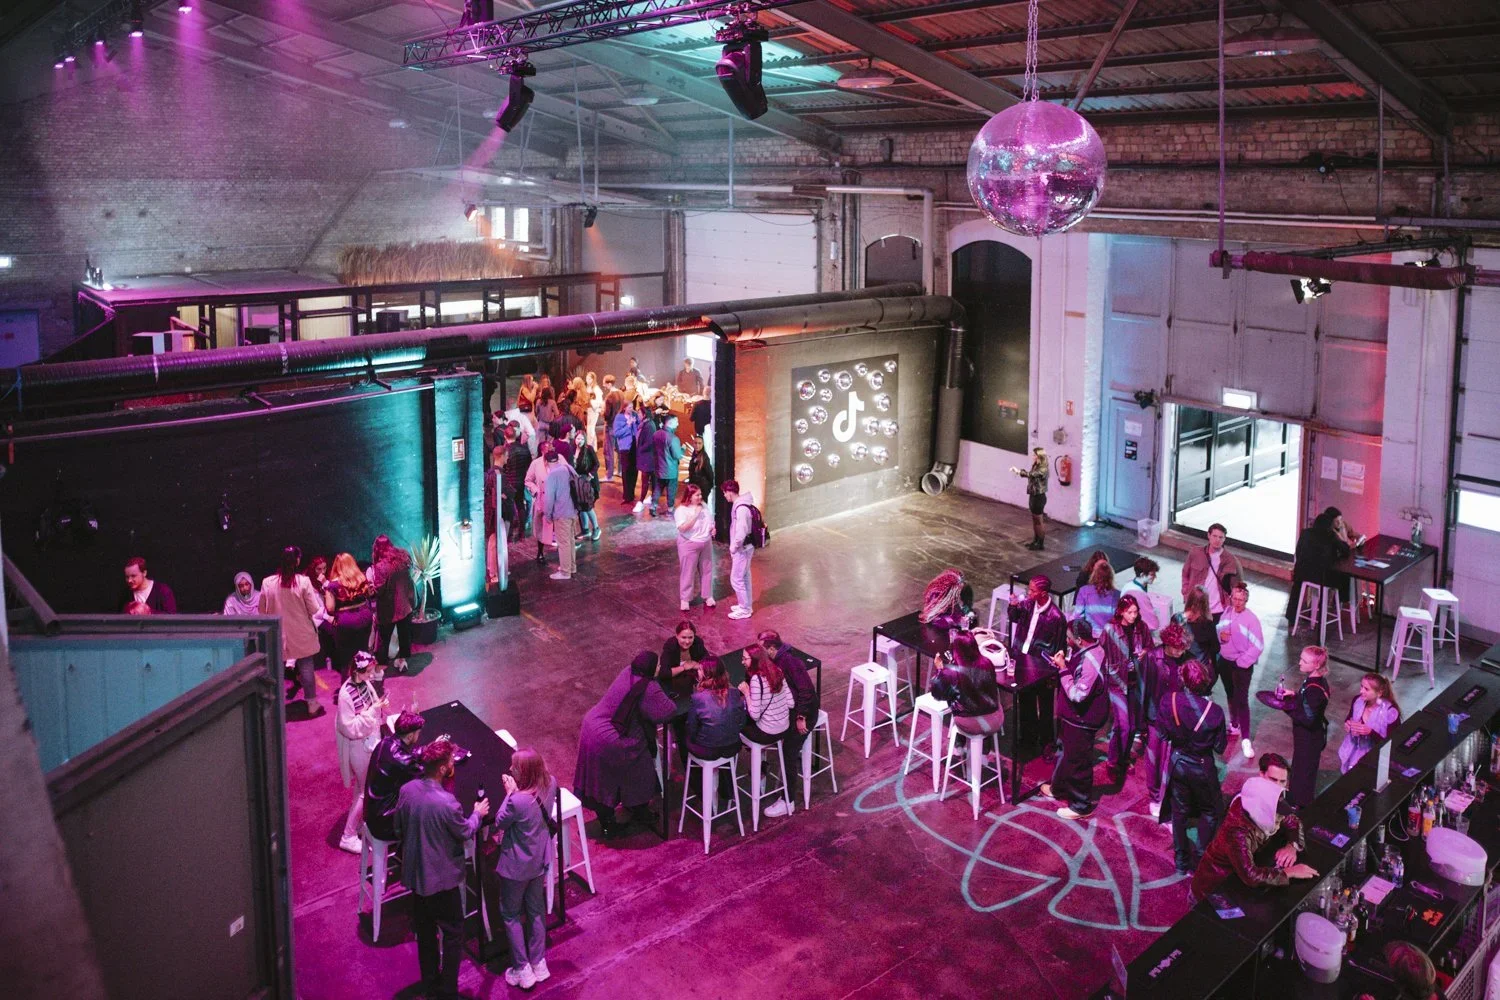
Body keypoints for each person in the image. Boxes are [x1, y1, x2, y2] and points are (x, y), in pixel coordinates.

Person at [396, 740, 490, 1000]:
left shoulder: (407, 790)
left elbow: (398, 827)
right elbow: (465, 831)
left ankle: (430, 985)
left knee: (425, 934)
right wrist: (477, 814)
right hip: (443, 882)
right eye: (449, 762)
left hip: (416, 877)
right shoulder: (448, 804)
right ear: (441, 768)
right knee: (452, 934)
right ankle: (448, 992)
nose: (452, 765)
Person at [573, 651, 677, 838]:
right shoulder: (649, 687)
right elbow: (666, 712)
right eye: (658, 665)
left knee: (599, 778)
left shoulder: (627, 672)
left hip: (592, 726)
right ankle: (637, 810)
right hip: (612, 738)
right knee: (640, 770)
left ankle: (610, 819)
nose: (660, 668)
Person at [486, 748, 556, 991]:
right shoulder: (551, 784)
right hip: (539, 861)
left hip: (516, 866)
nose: (511, 770)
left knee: (511, 914)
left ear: (524, 772)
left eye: (514, 767)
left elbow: (499, 821)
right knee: (536, 911)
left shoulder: (518, 801)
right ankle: (539, 962)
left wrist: (510, 793)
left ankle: (522, 968)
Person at [1189, 775, 1316, 902]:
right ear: (1261, 814)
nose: (1280, 822)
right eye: (1276, 819)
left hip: (1236, 882)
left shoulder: (1262, 806)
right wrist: (1289, 872)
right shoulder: (1236, 833)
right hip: (1213, 888)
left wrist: (1292, 846)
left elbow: (1293, 821)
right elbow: (1250, 875)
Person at [1157, 659, 1228, 873]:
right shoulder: (1214, 711)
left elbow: (1162, 734)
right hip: (1201, 766)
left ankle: (1181, 860)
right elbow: (1220, 747)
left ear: (1182, 679)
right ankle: (1198, 859)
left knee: (1179, 811)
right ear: (1205, 681)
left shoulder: (1168, 700)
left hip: (1178, 763)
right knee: (1210, 811)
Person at [1043, 619, 1108, 820]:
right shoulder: (1092, 649)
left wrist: (1063, 669)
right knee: (1064, 752)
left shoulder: (1090, 661)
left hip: (1083, 719)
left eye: (1069, 638)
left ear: (1079, 640)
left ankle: (1081, 804)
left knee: (1078, 761)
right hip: (1072, 717)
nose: (1066, 640)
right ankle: (1059, 787)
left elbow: (1078, 695)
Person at [753, 630, 819, 809]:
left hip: (805, 714)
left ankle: (788, 800)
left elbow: (807, 691)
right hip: (791, 710)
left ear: (772, 648)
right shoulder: (775, 660)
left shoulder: (789, 662)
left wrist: (801, 717)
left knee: (789, 753)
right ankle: (762, 774)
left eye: (761, 649)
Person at [261, 546, 326, 717]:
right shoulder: (303, 582)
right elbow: (314, 609)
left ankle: (274, 704)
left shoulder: (267, 583)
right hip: (302, 634)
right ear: (297, 561)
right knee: (306, 668)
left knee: (276, 670)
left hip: (277, 635)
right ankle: (312, 703)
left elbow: (262, 611)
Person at [1141, 623, 1194, 816]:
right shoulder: (1153, 658)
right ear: (1167, 643)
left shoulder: (1186, 659)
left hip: (1176, 719)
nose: (1181, 652)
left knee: (1170, 760)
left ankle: (1166, 794)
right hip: (1156, 718)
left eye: (1183, 648)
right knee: (1154, 759)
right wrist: (1142, 723)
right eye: (1177, 648)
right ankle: (1155, 796)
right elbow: (1143, 690)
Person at [336, 652, 387, 853]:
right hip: (359, 746)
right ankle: (347, 836)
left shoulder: (363, 684)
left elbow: (371, 708)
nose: (372, 675)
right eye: (368, 671)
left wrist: (377, 708)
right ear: (357, 671)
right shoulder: (345, 695)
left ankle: (355, 826)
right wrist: (373, 711)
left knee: (361, 790)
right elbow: (349, 727)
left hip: (368, 742)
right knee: (365, 792)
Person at [1100, 594, 1153, 781]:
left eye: (1135, 611)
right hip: (1116, 682)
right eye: (1130, 612)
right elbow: (1101, 653)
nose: (1133, 615)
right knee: (1124, 724)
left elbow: (1149, 646)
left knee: (1130, 727)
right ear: (1121, 611)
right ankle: (1113, 761)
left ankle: (1121, 758)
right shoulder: (1110, 629)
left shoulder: (1141, 628)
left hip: (1134, 681)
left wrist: (1144, 653)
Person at [1215, 580, 1264, 760]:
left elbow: (1258, 646)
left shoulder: (1252, 620)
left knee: (1241, 699)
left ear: (1246, 600)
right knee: (1230, 694)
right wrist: (1220, 636)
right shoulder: (1226, 613)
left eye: (1241, 600)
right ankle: (1234, 724)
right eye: (1234, 599)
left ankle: (1245, 739)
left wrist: (1242, 662)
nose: (1237, 603)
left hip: (1240, 666)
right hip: (1225, 662)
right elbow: (1218, 630)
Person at [364, 709, 424, 842]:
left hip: (372, 813)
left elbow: (406, 758)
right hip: (385, 825)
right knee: (428, 817)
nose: (419, 736)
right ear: (410, 736)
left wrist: (425, 750)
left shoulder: (384, 743)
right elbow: (425, 773)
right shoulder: (402, 761)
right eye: (418, 733)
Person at [1284, 645, 1331, 808]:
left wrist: (1287, 707)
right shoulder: (1314, 681)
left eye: (1304, 661)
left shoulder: (1314, 690)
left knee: (1303, 775)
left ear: (1316, 665)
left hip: (1309, 739)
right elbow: (1309, 705)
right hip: (1308, 737)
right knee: (1300, 770)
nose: (1299, 663)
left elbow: (1308, 718)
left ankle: (1299, 808)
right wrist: (1296, 696)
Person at [931, 631, 1005, 736]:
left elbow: (937, 694)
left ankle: (959, 746)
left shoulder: (952, 672)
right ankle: (983, 749)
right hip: (996, 720)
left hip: (971, 724)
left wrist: (940, 670)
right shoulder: (987, 663)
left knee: (956, 698)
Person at [686, 657, 748, 769]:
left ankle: (695, 780)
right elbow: (742, 722)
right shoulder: (734, 693)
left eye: (700, 670)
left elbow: (692, 728)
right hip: (732, 745)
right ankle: (726, 781)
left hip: (707, 749)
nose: (697, 672)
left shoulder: (698, 698)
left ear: (707, 674)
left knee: (682, 735)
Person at [369, 535, 416, 674]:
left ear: (376, 549)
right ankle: (403, 662)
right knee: (404, 635)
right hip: (406, 605)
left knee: (384, 640)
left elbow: (380, 589)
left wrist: (372, 588)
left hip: (388, 610)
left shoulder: (380, 566)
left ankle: (380, 669)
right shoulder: (403, 557)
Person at [324, 553, 374, 677]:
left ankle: (349, 685)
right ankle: (364, 682)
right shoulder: (361, 578)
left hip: (346, 621)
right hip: (364, 616)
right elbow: (369, 595)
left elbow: (330, 608)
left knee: (347, 657)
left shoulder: (332, 585)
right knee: (363, 652)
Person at [1339, 673, 1401, 773]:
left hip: (1374, 757)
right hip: (1353, 751)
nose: (1361, 691)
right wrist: (1348, 724)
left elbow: (1392, 744)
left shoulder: (1390, 712)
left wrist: (1371, 733)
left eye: (1366, 689)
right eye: (1361, 686)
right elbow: (1350, 716)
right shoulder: (1357, 700)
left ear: (1379, 693)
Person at [1180, 523, 1243, 621]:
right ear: (1208, 535)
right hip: (1195, 605)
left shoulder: (1230, 560)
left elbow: (1236, 586)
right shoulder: (1195, 552)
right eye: (1214, 536)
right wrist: (1186, 595)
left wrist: (1232, 605)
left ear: (1224, 539)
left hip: (1218, 609)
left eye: (1221, 537)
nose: (1217, 540)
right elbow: (1185, 574)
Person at [674, 484, 716, 612]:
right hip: (689, 544)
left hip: (705, 542)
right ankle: (685, 599)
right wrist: (695, 515)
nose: (700, 497)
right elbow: (682, 528)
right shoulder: (681, 510)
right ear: (689, 496)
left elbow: (710, 520)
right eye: (697, 495)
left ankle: (707, 595)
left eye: (700, 494)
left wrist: (712, 528)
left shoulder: (703, 506)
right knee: (688, 572)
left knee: (707, 570)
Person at [1007, 575, 1067, 659]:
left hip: (1037, 661)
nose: (1029, 592)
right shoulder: (1026, 604)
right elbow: (1013, 618)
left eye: (1033, 591)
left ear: (1043, 593)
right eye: (1029, 589)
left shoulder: (1057, 617)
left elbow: (1059, 645)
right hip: (1018, 653)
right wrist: (1013, 606)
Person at [544, 440, 580, 581]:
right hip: (573, 511)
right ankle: (571, 566)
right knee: (570, 540)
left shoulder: (552, 475)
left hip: (561, 513)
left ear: (546, 463)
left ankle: (565, 572)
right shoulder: (568, 468)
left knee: (563, 543)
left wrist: (548, 515)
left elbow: (549, 499)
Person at [724, 480, 757, 620]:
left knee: (736, 579)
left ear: (730, 492)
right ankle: (746, 605)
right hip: (747, 547)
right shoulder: (743, 505)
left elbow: (741, 531)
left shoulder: (741, 508)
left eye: (725, 493)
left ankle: (744, 609)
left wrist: (733, 547)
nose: (725, 496)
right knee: (744, 577)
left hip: (742, 549)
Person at [1009, 446, 1049, 550]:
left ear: (1039, 456)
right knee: (1035, 520)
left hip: (1039, 497)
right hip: (1033, 495)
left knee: (1038, 521)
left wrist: (1018, 471)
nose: (1033, 456)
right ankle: (1035, 541)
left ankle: (1040, 543)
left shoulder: (1043, 468)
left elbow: (1031, 475)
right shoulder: (1036, 466)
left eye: (1035, 455)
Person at [1172, 586, 1221, 666]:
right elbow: (1216, 648)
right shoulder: (1208, 625)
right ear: (1205, 604)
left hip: (1181, 665)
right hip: (1199, 668)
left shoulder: (1177, 618)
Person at [1074, 559, 1122, 637]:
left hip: (1090, 636)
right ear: (1111, 577)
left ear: (1094, 574)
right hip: (1110, 637)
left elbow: (1077, 616)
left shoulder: (1084, 591)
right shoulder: (1118, 594)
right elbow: (1118, 620)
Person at [525, 441, 554, 563]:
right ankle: (540, 552)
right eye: (547, 450)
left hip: (556, 500)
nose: (550, 452)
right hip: (542, 499)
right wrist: (535, 490)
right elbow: (528, 480)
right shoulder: (536, 464)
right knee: (541, 527)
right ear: (542, 451)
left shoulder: (556, 461)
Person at [1121, 557, 1165, 632]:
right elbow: (1153, 624)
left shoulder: (1128, 585)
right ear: (1142, 575)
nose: (1155, 577)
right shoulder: (1138, 594)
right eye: (1152, 575)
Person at [573, 429, 601, 542]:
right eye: (578, 438)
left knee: (588, 506)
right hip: (578, 482)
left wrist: (590, 475)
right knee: (581, 507)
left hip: (588, 482)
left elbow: (596, 463)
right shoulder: (573, 450)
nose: (579, 441)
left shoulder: (588, 449)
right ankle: (585, 529)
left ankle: (596, 528)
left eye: (581, 438)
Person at [653, 413, 685, 513]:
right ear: (670, 423)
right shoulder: (673, 438)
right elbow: (677, 455)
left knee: (658, 488)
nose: (678, 424)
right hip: (670, 470)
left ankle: (653, 505)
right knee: (671, 490)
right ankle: (670, 508)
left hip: (659, 468)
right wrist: (682, 450)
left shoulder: (656, 434)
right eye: (676, 421)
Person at [613, 398, 640, 506]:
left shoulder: (634, 415)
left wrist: (636, 423)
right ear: (624, 408)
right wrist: (628, 425)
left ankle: (632, 493)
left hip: (635, 445)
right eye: (629, 407)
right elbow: (617, 433)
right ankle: (627, 495)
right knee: (626, 471)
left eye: (632, 407)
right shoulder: (619, 418)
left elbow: (638, 427)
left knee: (634, 469)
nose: (632, 409)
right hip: (625, 447)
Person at [634, 407, 659, 515]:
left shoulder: (648, 425)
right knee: (651, 480)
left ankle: (641, 501)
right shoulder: (647, 424)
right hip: (648, 457)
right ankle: (652, 498)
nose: (638, 414)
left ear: (644, 414)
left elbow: (649, 442)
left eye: (639, 412)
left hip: (648, 458)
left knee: (645, 481)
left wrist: (639, 449)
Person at [601, 374, 622, 479]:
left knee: (608, 450)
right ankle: (620, 471)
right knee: (619, 449)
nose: (603, 385)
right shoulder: (621, 394)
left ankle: (609, 475)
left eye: (604, 383)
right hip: (620, 426)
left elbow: (607, 414)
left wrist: (602, 411)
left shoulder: (609, 397)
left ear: (609, 384)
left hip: (610, 426)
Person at [687, 435, 714, 508]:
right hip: (695, 486)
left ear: (703, 444)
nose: (697, 445)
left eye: (699, 443)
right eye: (695, 443)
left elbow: (710, 473)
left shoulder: (704, 457)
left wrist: (708, 486)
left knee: (702, 506)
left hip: (703, 487)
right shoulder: (694, 455)